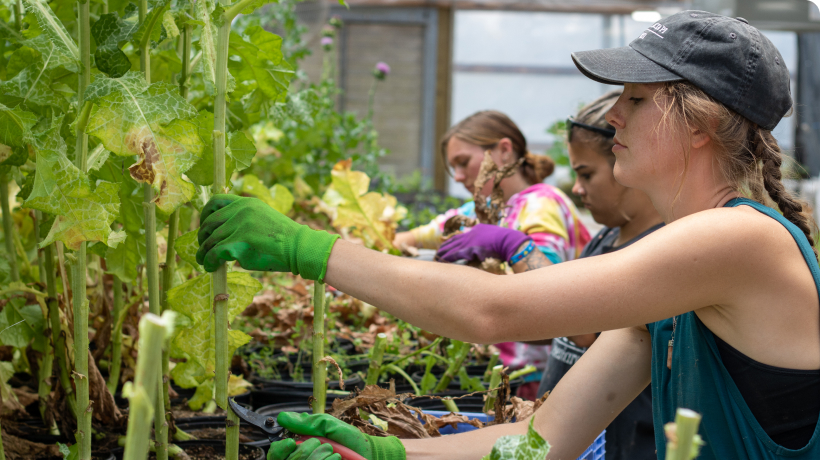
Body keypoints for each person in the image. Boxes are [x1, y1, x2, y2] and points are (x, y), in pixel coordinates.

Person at [197, 11, 820, 460]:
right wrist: (384, 453)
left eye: (635, 99)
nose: (614, 118)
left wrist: (306, 248)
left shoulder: (742, 239)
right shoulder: (670, 286)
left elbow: (495, 310)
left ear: (700, 123)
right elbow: (541, 442)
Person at [394, 110, 591, 397]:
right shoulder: (482, 210)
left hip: (541, 379)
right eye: (453, 168)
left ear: (504, 151)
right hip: (503, 374)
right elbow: (415, 236)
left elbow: (551, 297)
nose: (459, 176)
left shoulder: (541, 204)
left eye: (463, 163)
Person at [539, 90, 661, 460]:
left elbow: (582, 325)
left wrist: (519, 250)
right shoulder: (606, 237)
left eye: (586, 173)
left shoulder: (654, 252)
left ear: (627, 162)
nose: (577, 189)